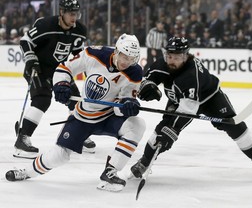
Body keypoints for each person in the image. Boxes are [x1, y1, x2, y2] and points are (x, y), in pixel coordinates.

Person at [5, 33, 146, 192]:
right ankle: (26, 172)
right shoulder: (94, 54)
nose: (126, 62)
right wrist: (62, 84)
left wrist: (127, 105)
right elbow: (65, 67)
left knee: (137, 125)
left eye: (131, 59)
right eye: (124, 56)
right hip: (83, 116)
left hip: (108, 117)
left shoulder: (134, 72)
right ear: (117, 51)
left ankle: (110, 173)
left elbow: (121, 104)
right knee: (60, 155)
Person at [130, 36, 252, 180]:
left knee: (235, 126)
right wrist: (146, 85)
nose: (171, 60)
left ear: (185, 56)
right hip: (180, 98)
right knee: (162, 129)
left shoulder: (191, 75)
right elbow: (145, 78)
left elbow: (188, 110)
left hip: (210, 99)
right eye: (169, 56)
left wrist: (172, 130)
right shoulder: (161, 65)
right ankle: (144, 162)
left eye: (176, 57)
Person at [14, 0, 96, 159]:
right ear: (61, 12)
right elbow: (25, 41)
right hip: (39, 67)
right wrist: (31, 59)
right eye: (71, 14)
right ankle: (22, 140)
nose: (74, 18)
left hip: (61, 69)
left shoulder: (80, 30)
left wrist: (88, 71)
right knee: (42, 100)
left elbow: (77, 54)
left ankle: (78, 135)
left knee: (76, 102)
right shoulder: (46, 25)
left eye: (76, 14)